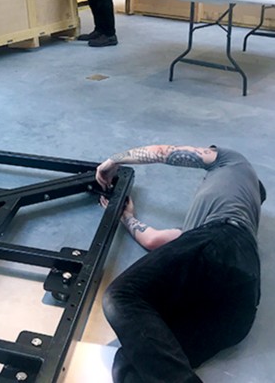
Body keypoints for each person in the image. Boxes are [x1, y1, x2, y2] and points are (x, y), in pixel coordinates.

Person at [96, 144, 265, 383]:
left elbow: (163, 152)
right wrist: (127, 216)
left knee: (121, 296)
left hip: (223, 238)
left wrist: (112, 161)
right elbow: (153, 239)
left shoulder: (234, 161)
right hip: (237, 310)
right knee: (132, 363)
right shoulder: (197, 232)